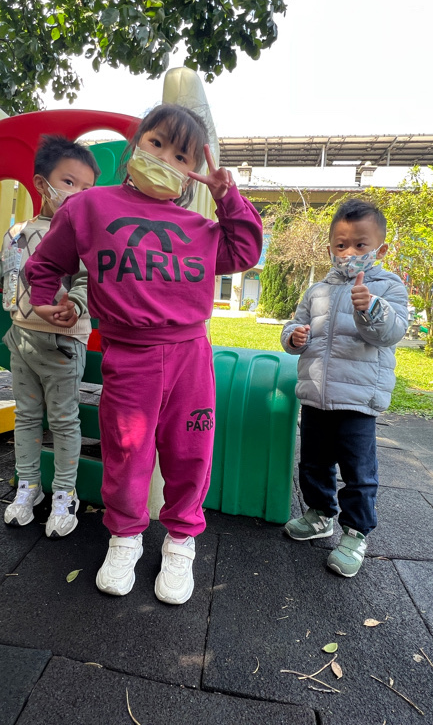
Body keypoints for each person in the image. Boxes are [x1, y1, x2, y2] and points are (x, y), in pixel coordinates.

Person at [25, 104, 263, 605]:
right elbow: (45, 264)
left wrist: (229, 198)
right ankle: (125, 537)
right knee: (126, 451)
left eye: (181, 156)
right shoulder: (90, 207)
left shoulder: (200, 228)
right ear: (136, 144)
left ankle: (181, 540)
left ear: (191, 173)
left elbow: (245, 251)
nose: (165, 159)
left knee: (190, 452)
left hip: (190, 356)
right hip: (129, 356)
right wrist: (48, 301)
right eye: (157, 143)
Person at [0, 135, 100, 539]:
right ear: (41, 183)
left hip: (63, 344)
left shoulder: (84, 234)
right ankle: (29, 485)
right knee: (27, 418)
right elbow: (6, 276)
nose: (77, 194)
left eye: (87, 188)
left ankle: (65, 493)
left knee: (64, 420)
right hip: (22, 341)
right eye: (69, 182)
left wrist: (76, 306)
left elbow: (88, 280)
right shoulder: (18, 233)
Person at [280, 199, 408, 578]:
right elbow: (295, 325)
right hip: (317, 394)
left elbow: (391, 332)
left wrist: (371, 308)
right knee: (313, 461)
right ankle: (320, 514)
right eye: (341, 244)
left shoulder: (388, 287)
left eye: (360, 244)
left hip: (358, 398)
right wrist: (294, 336)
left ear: (380, 249)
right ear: (330, 249)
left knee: (358, 470)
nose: (349, 252)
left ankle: (355, 533)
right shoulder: (317, 290)